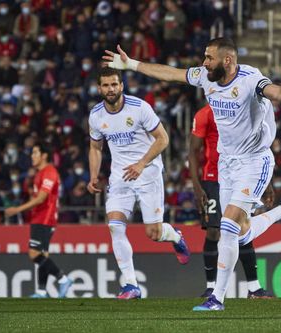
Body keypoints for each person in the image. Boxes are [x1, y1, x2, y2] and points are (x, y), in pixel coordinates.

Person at [103, 37, 281, 310]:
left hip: (254, 161)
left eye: (209, 57)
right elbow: (172, 73)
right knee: (240, 233)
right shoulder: (205, 77)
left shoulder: (250, 79)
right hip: (227, 163)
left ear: (228, 60)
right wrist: (132, 65)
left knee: (227, 227)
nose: (204, 62)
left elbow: (274, 93)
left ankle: (217, 298)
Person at [87, 67, 190, 300]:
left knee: (153, 233)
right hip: (120, 177)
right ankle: (131, 285)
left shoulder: (140, 107)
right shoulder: (96, 115)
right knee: (114, 225)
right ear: (99, 88)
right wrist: (93, 175)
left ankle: (174, 236)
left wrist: (142, 163)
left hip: (148, 173)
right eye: (106, 85)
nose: (110, 89)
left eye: (114, 84)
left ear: (122, 86)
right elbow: (95, 147)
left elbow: (163, 139)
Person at [189, 104, 273, 299]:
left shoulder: (243, 109)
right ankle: (211, 286)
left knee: (239, 227)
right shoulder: (205, 114)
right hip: (213, 178)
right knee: (213, 231)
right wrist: (196, 185)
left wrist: (265, 181)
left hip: (243, 174)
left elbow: (260, 146)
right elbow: (193, 151)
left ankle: (254, 287)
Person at [5, 143, 72, 298]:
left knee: (34, 253)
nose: (32, 156)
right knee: (43, 255)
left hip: (45, 218)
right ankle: (42, 291)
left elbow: (42, 198)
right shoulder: (40, 173)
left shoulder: (49, 172)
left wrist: (17, 209)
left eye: (35, 153)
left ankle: (63, 279)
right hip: (40, 217)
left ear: (44, 156)